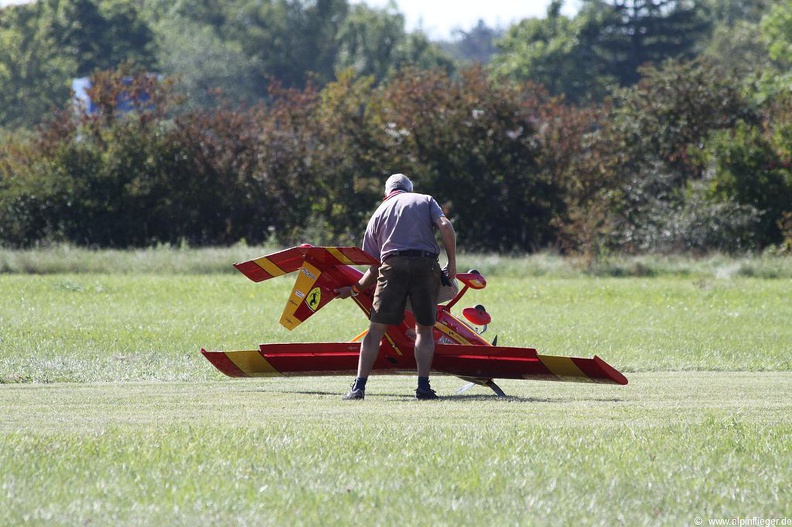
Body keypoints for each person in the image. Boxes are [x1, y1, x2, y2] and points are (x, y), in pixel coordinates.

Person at [335, 173, 456, 400]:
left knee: (375, 331)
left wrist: (353, 290)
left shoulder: (377, 215)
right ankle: (423, 388)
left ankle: (359, 388)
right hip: (426, 265)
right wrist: (452, 262)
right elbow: (445, 226)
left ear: (386, 194)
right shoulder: (425, 200)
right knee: (424, 329)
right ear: (409, 190)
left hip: (392, 266)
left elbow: (373, 268)